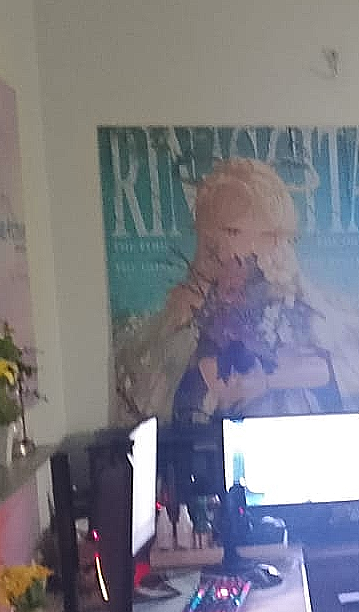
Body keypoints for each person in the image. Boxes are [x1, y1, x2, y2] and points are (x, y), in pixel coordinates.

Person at [115, 157, 344, 422]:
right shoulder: (200, 294)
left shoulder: (286, 286)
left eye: (235, 231)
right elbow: (188, 370)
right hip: (225, 421)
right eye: (225, 231)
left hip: (288, 418)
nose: (227, 245)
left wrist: (266, 380)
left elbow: (326, 367)